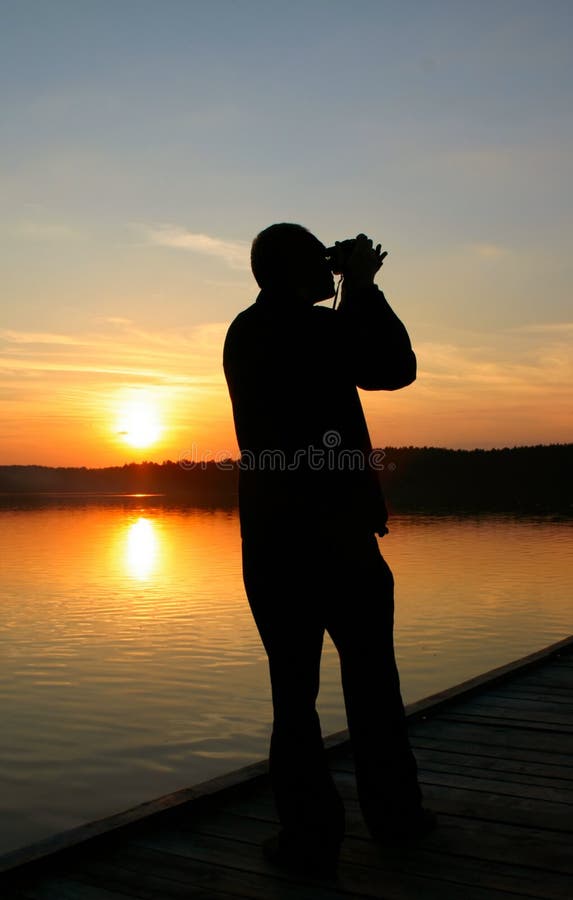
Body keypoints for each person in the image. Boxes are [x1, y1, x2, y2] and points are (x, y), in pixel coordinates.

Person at [223, 223, 435, 876]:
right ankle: (395, 819)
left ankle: (309, 839)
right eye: (318, 259)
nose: (328, 267)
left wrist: (352, 291)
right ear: (294, 270)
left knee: (294, 696)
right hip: (338, 539)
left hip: (273, 542)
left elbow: (358, 356)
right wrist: (362, 285)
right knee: (372, 685)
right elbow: (395, 368)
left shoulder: (247, 331)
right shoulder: (315, 330)